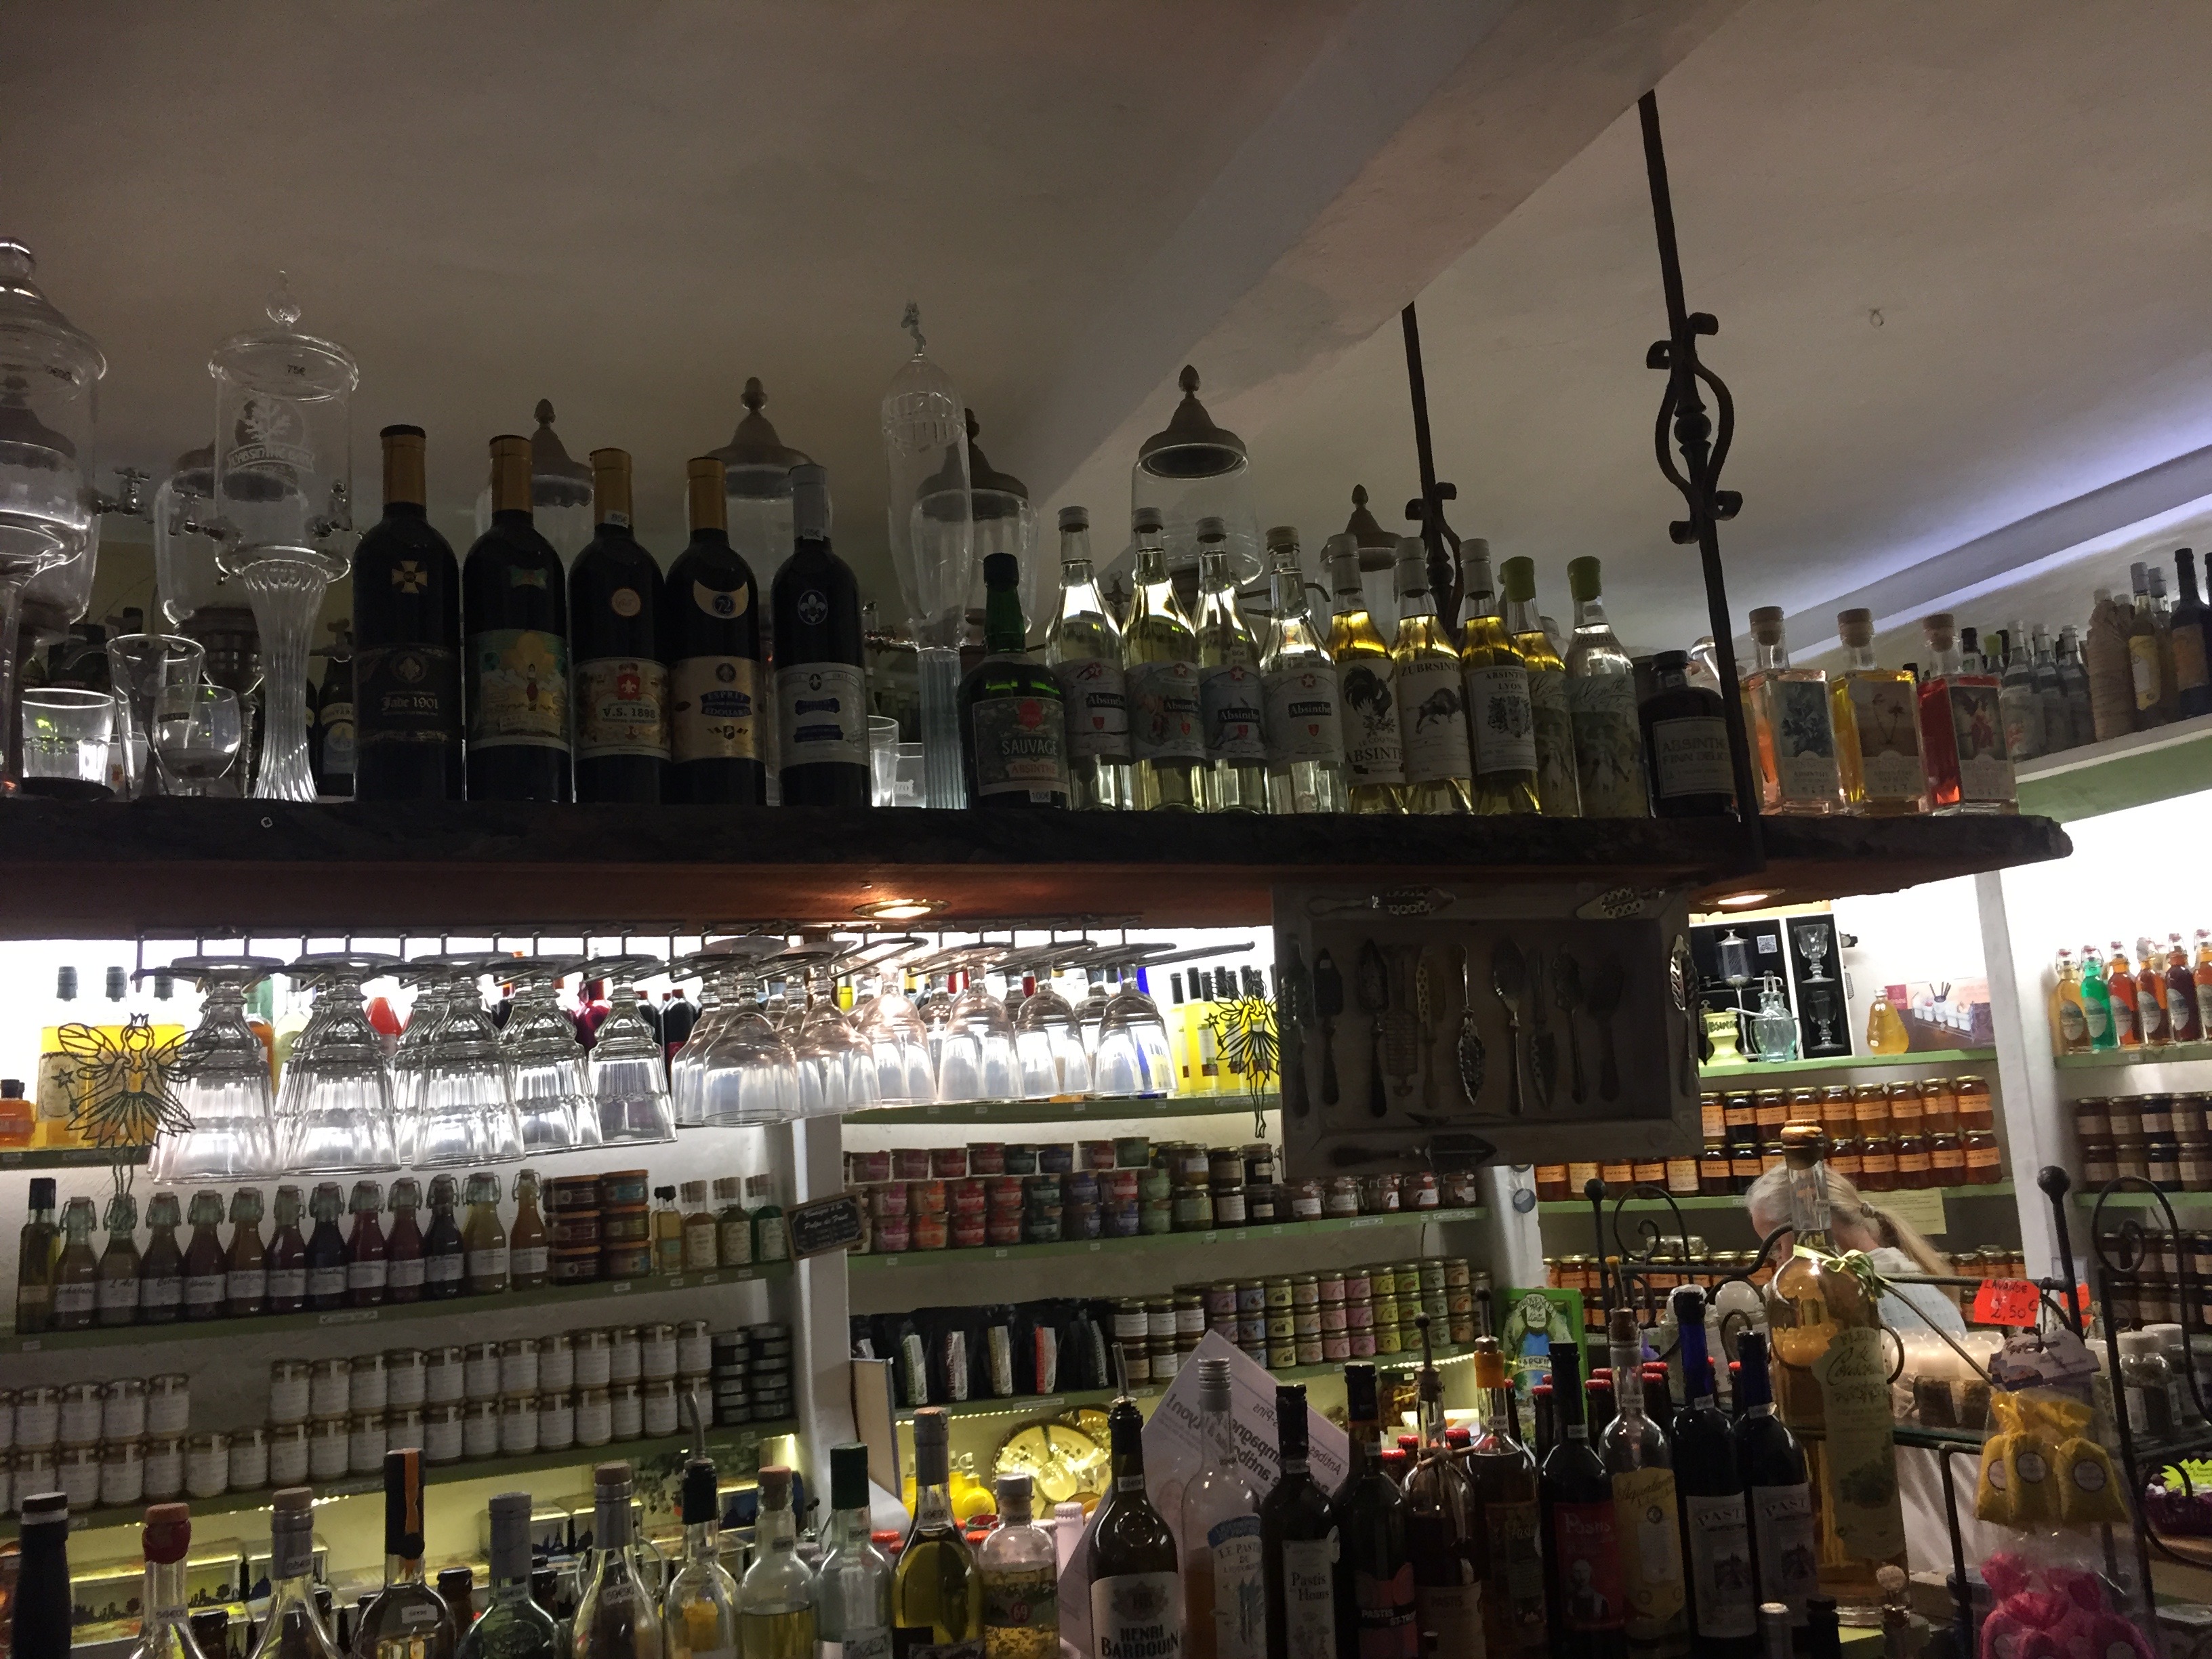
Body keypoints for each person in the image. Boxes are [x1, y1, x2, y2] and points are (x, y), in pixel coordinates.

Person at [1744, 1164, 2004, 1575]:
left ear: (1814, 1225)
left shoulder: (1852, 1301)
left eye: (1777, 1247)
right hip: (1964, 1502)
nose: (1777, 1264)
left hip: (1904, 1514)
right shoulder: (1922, 1281)